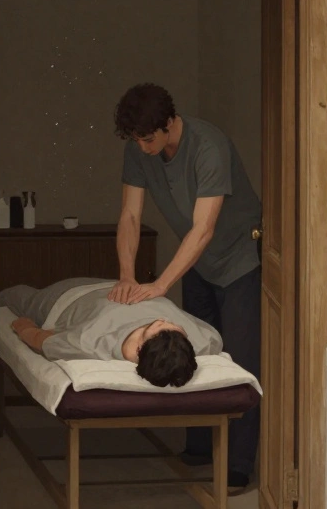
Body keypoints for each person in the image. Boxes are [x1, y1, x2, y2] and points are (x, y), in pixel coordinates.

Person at [109, 82, 263, 490]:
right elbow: (129, 215)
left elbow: (204, 228)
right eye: (136, 140)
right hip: (195, 262)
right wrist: (128, 273)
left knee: (240, 361)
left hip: (237, 258)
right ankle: (199, 446)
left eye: (147, 139)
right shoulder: (138, 151)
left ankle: (237, 464)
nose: (142, 147)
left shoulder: (209, 146)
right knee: (188, 348)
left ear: (169, 123)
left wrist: (160, 283)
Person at [0, 277, 223, 388]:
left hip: (68, 296)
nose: (163, 319)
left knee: (14, 295)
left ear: (139, 350)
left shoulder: (88, 343)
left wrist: (21, 325)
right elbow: (215, 340)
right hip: (123, 284)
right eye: (173, 326)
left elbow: (39, 340)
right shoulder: (202, 340)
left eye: (154, 327)